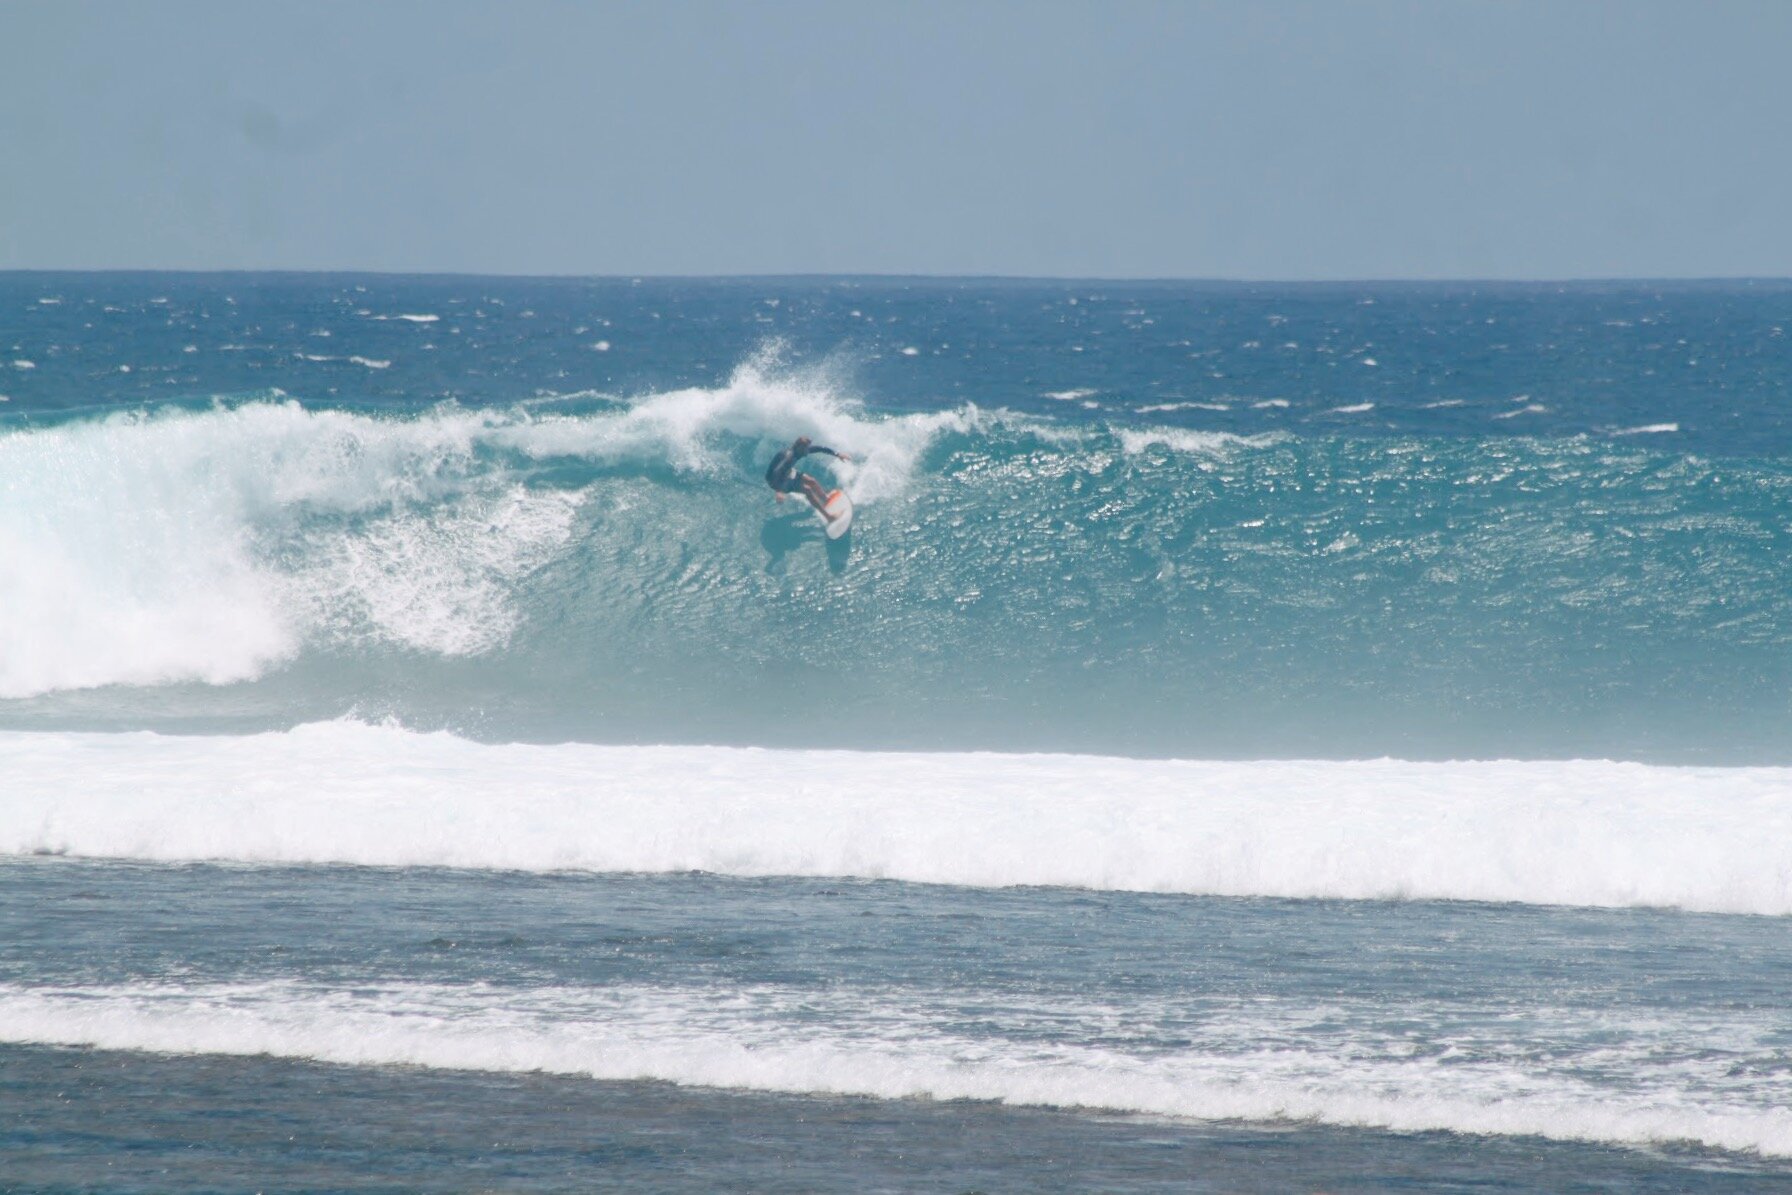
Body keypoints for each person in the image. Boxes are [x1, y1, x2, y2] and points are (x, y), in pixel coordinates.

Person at [765, 435, 852, 517]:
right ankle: (828, 516)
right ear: (800, 448)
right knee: (808, 490)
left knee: (811, 481)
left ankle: (826, 500)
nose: (808, 451)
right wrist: (779, 491)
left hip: (787, 472)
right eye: (806, 449)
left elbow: (820, 448)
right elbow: (777, 472)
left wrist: (837, 454)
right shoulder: (789, 457)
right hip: (776, 480)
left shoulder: (799, 451)